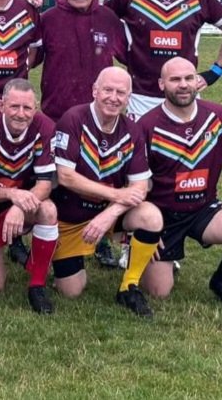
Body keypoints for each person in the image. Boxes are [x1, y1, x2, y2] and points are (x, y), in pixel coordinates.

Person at [138, 57, 222, 311]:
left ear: (197, 81)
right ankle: (158, 259)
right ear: (161, 84)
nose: (183, 85)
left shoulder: (217, 115)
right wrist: (143, 228)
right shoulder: (146, 125)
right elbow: (134, 182)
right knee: (158, 292)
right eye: (175, 80)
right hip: (163, 217)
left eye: (188, 78)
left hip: (203, 209)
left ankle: (221, 280)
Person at [50, 67, 164, 317]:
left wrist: (110, 213)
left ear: (129, 97)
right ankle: (69, 256)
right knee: (71, 291)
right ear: (95, 91)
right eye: (108, 90)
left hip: (108, 214)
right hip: (71, 217)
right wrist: (115, 196)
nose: (114, 97)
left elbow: (140, 186)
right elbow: (65, 176)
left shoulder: (132, 130)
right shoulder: (73, 118)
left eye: (121, 93)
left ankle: (129, 286)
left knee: (151, 216)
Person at [36, 0, 126, 269]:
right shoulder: (47, 20)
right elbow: (28, 58)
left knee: (98, 177)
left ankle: (101, 239)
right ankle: (45, 236)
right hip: (55, 115)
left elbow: (132, 57)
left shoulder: (109, 19)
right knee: (54, 181)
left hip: (99, 119)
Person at [0, 79, 59, 314]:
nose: (21, 114)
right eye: (14, 107)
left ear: (36, 107)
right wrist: (11, 194)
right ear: (1, 105)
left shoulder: (45, 127)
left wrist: (19, 206)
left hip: (21, 205)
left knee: (48, 210)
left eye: (27, 108)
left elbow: (44, 184)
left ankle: (37, 284)